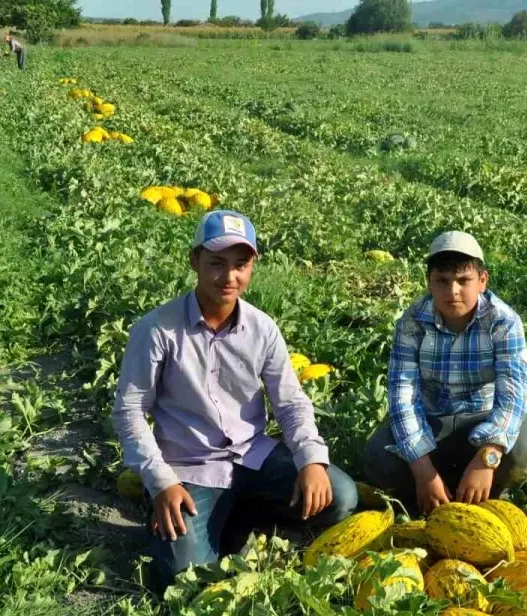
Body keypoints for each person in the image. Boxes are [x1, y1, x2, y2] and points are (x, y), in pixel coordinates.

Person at [113, 210, 358, 587]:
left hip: (253, 456)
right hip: (190, 468)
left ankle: (241, 512)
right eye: (216, 264)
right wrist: (161, 482)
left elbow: (290, 402)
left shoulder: (262, 328)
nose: (230, 277)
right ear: (194, 260)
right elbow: (130, 412)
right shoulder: (157, 329)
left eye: (241, 265)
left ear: (253, 265)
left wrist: (311, 459)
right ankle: (200, 515)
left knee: (339, 495)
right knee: (186, 579)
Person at [364, 231, 527, 515]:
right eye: (442, 281)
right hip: (432, 421)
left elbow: (513, 396)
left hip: (483, 418)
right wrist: (423, 470)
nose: (453, 291)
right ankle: (431, 493)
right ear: (429, 283)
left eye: (464, 281)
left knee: (525, 448)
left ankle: (484, 494)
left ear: (483, 281)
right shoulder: (411, 323)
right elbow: (403, 399)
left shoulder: (504, 322)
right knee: (378, 456)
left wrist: (487, 457)